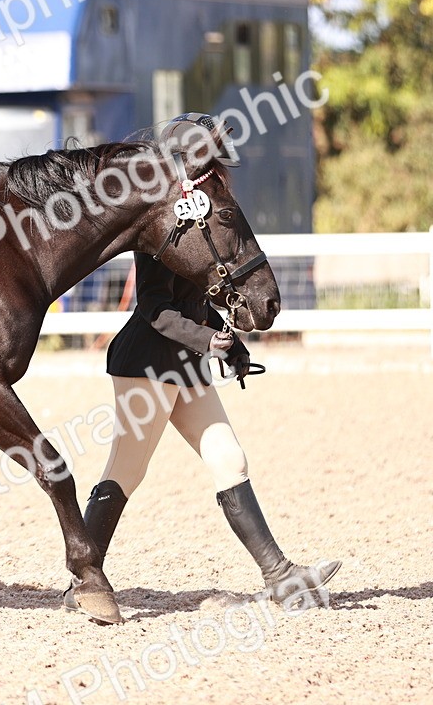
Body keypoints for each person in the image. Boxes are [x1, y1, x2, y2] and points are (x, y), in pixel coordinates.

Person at [64, 113, 341, 613]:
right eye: (210, 166)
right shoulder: (159, 231)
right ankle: (83, 581)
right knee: (125, 471)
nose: (219, 175)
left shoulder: (203, 223)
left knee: (229, 459)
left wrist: (227, 342)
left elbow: (200, 296)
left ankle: (281, 577)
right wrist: (206, 338)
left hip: (185, 366)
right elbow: (153, 308)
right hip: (146, 364)